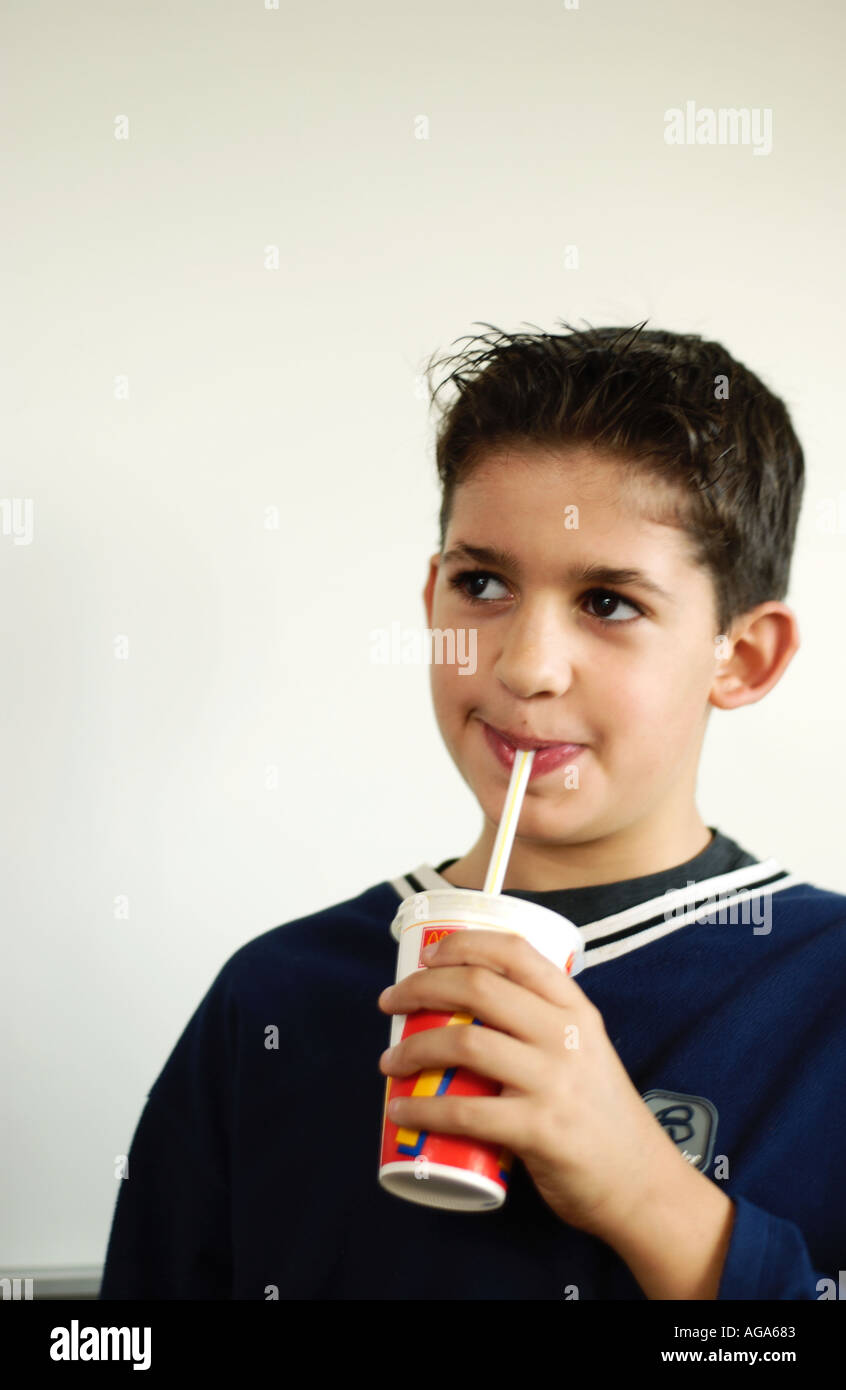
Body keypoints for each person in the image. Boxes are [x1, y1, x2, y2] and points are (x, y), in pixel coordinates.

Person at [99, 321, 846, 1300]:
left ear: (741, 656)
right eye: (483, 583)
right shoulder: (274, 996)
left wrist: (652, 1199)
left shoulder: (824, 995)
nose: (524, 665)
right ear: (431, 597)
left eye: (609, 601)